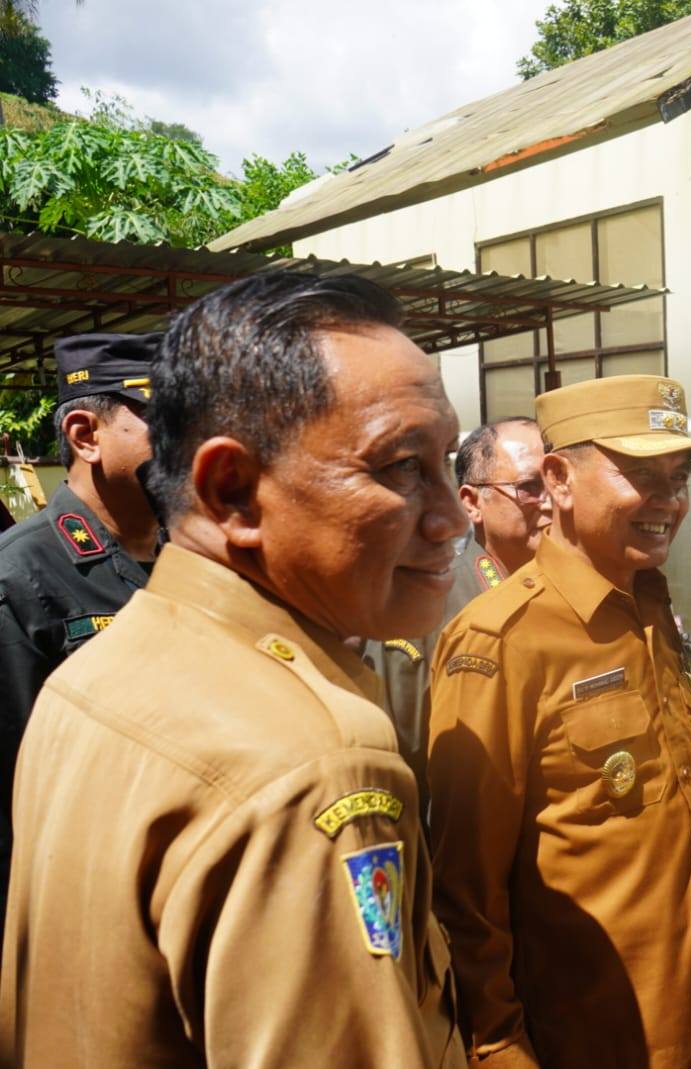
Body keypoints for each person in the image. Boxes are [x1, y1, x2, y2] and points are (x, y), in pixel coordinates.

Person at [0, 273, 470, 1067]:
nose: (454, 515)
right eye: (400, 466)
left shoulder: (115, 660)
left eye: (447, 460)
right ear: (234, 491)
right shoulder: (316, 762)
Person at [429, 375, 691, 1068]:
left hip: (690, 1019)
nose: (668, 499)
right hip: (582, 1040)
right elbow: (464, 893)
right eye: (639, 474)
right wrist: (500, 1047)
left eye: (678, 475)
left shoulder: (652, 608)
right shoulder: (499, 641)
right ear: (558, 479)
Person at [0, 331, 162, 926]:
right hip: (80, 911)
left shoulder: (194, 558)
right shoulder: (19, 578)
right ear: (86, 437)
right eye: (163, 422)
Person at [366, 416, 546, 795]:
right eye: (530, 487)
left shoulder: (575, 594)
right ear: (472, 503)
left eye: (559, 481)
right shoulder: (428, 607)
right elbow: (402, 764)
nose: (550, 502)